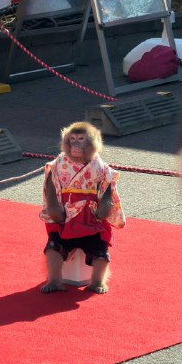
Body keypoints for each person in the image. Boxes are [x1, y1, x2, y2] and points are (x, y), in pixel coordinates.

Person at [39, 122, 125, 294]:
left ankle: (98, 281)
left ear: (93, 143)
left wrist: (103, 211)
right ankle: (55, 280)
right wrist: (55, 211)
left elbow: (108, 192)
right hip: (65, 218)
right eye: (72, 139)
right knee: (53, 248)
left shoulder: (101, 169)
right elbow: (50, 188)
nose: (75, 145)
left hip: (90, 218)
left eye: (81, 139)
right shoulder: (57, 164)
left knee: (100, 252)